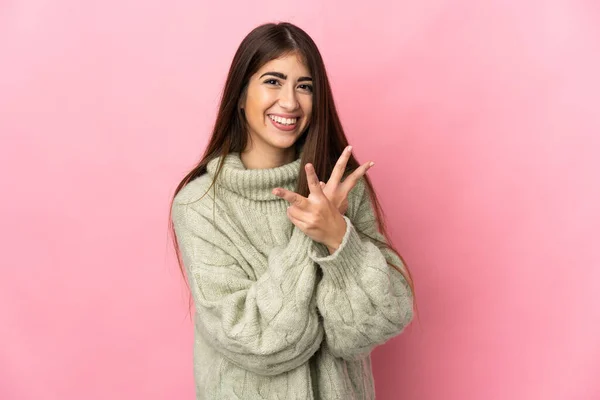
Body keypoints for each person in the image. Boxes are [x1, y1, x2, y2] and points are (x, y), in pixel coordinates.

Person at [169, 21, 415, 400]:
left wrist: (338, 238)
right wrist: (311, 234)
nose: (290, 101)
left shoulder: (343, 187)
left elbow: (379, 322)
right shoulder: (200, 205)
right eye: (273, 81)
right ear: (240, 93)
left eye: (305, 86)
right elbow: (261, 342)